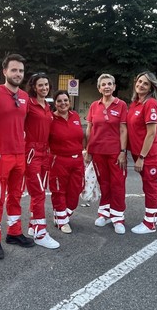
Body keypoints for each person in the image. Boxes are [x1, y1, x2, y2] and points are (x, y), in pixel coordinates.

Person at [0, 54, 34, 259]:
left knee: (15, 196)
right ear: (4, 71)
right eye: (13, 70)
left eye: (21, 71)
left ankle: (14, 233)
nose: (17, 74)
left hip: (19, 154)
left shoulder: (24, 96)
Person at [84, 74, 128, 234]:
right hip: (97, 152)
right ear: (99, 88)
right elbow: (89, 130)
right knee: (104, 184)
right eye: (103, 84)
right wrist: (88, 150)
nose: (107, 87)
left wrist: (123, 151)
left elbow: (123, 129)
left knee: (118, 184)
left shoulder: (121, 104)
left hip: (116, 152)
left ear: (114, 86)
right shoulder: (94, 106)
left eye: (110, 84)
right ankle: (104, 213)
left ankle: (118, 218)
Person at [127, 71, 157, 234]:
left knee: (149, 187)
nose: (140, 85)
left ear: (151, 86)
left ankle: (149, 223)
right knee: (151, 184)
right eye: (139, 82)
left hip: (148, 155)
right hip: (138, 153)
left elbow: (151, 133)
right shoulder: (135, 103)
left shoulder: (150, 103)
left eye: (145, 83)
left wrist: (142, 157)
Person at [24, 72, 60, 249]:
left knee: (40, 191)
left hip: (46, 152)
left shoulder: (47, 106)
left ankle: (33, 225)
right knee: (37, 192)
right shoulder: (28, 104)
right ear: (34, 87)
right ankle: (40, 233)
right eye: (40, 85)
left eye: (46, 85)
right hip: (31, 152)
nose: (44, 88)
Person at [49, 90, 86, 234]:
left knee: (76, 189)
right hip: (59, 160)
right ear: (55, 104)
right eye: (59, 101)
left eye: (65, 100)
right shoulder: (51, 119)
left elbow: (81, 136)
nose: (63, 103)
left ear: (69, 102)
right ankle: (62, 221)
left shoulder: (75, 116)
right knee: (59, 191)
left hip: (77, 159)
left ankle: (62, 214)